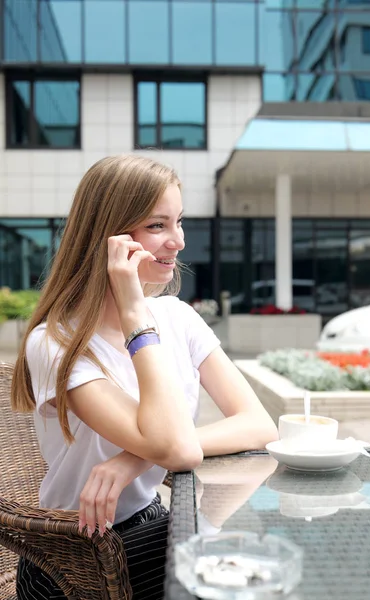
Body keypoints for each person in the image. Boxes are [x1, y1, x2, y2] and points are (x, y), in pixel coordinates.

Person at [11, 154, 278, 600]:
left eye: (179, 222)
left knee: (252, 569)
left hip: (151, 521)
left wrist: (132, 458)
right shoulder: (55, 342)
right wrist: (136, 315)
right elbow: (176, 448)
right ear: (107, 237)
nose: (177, 242)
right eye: (157, 226)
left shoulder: (178, 317)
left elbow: (258, 424)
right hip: (72, 556)